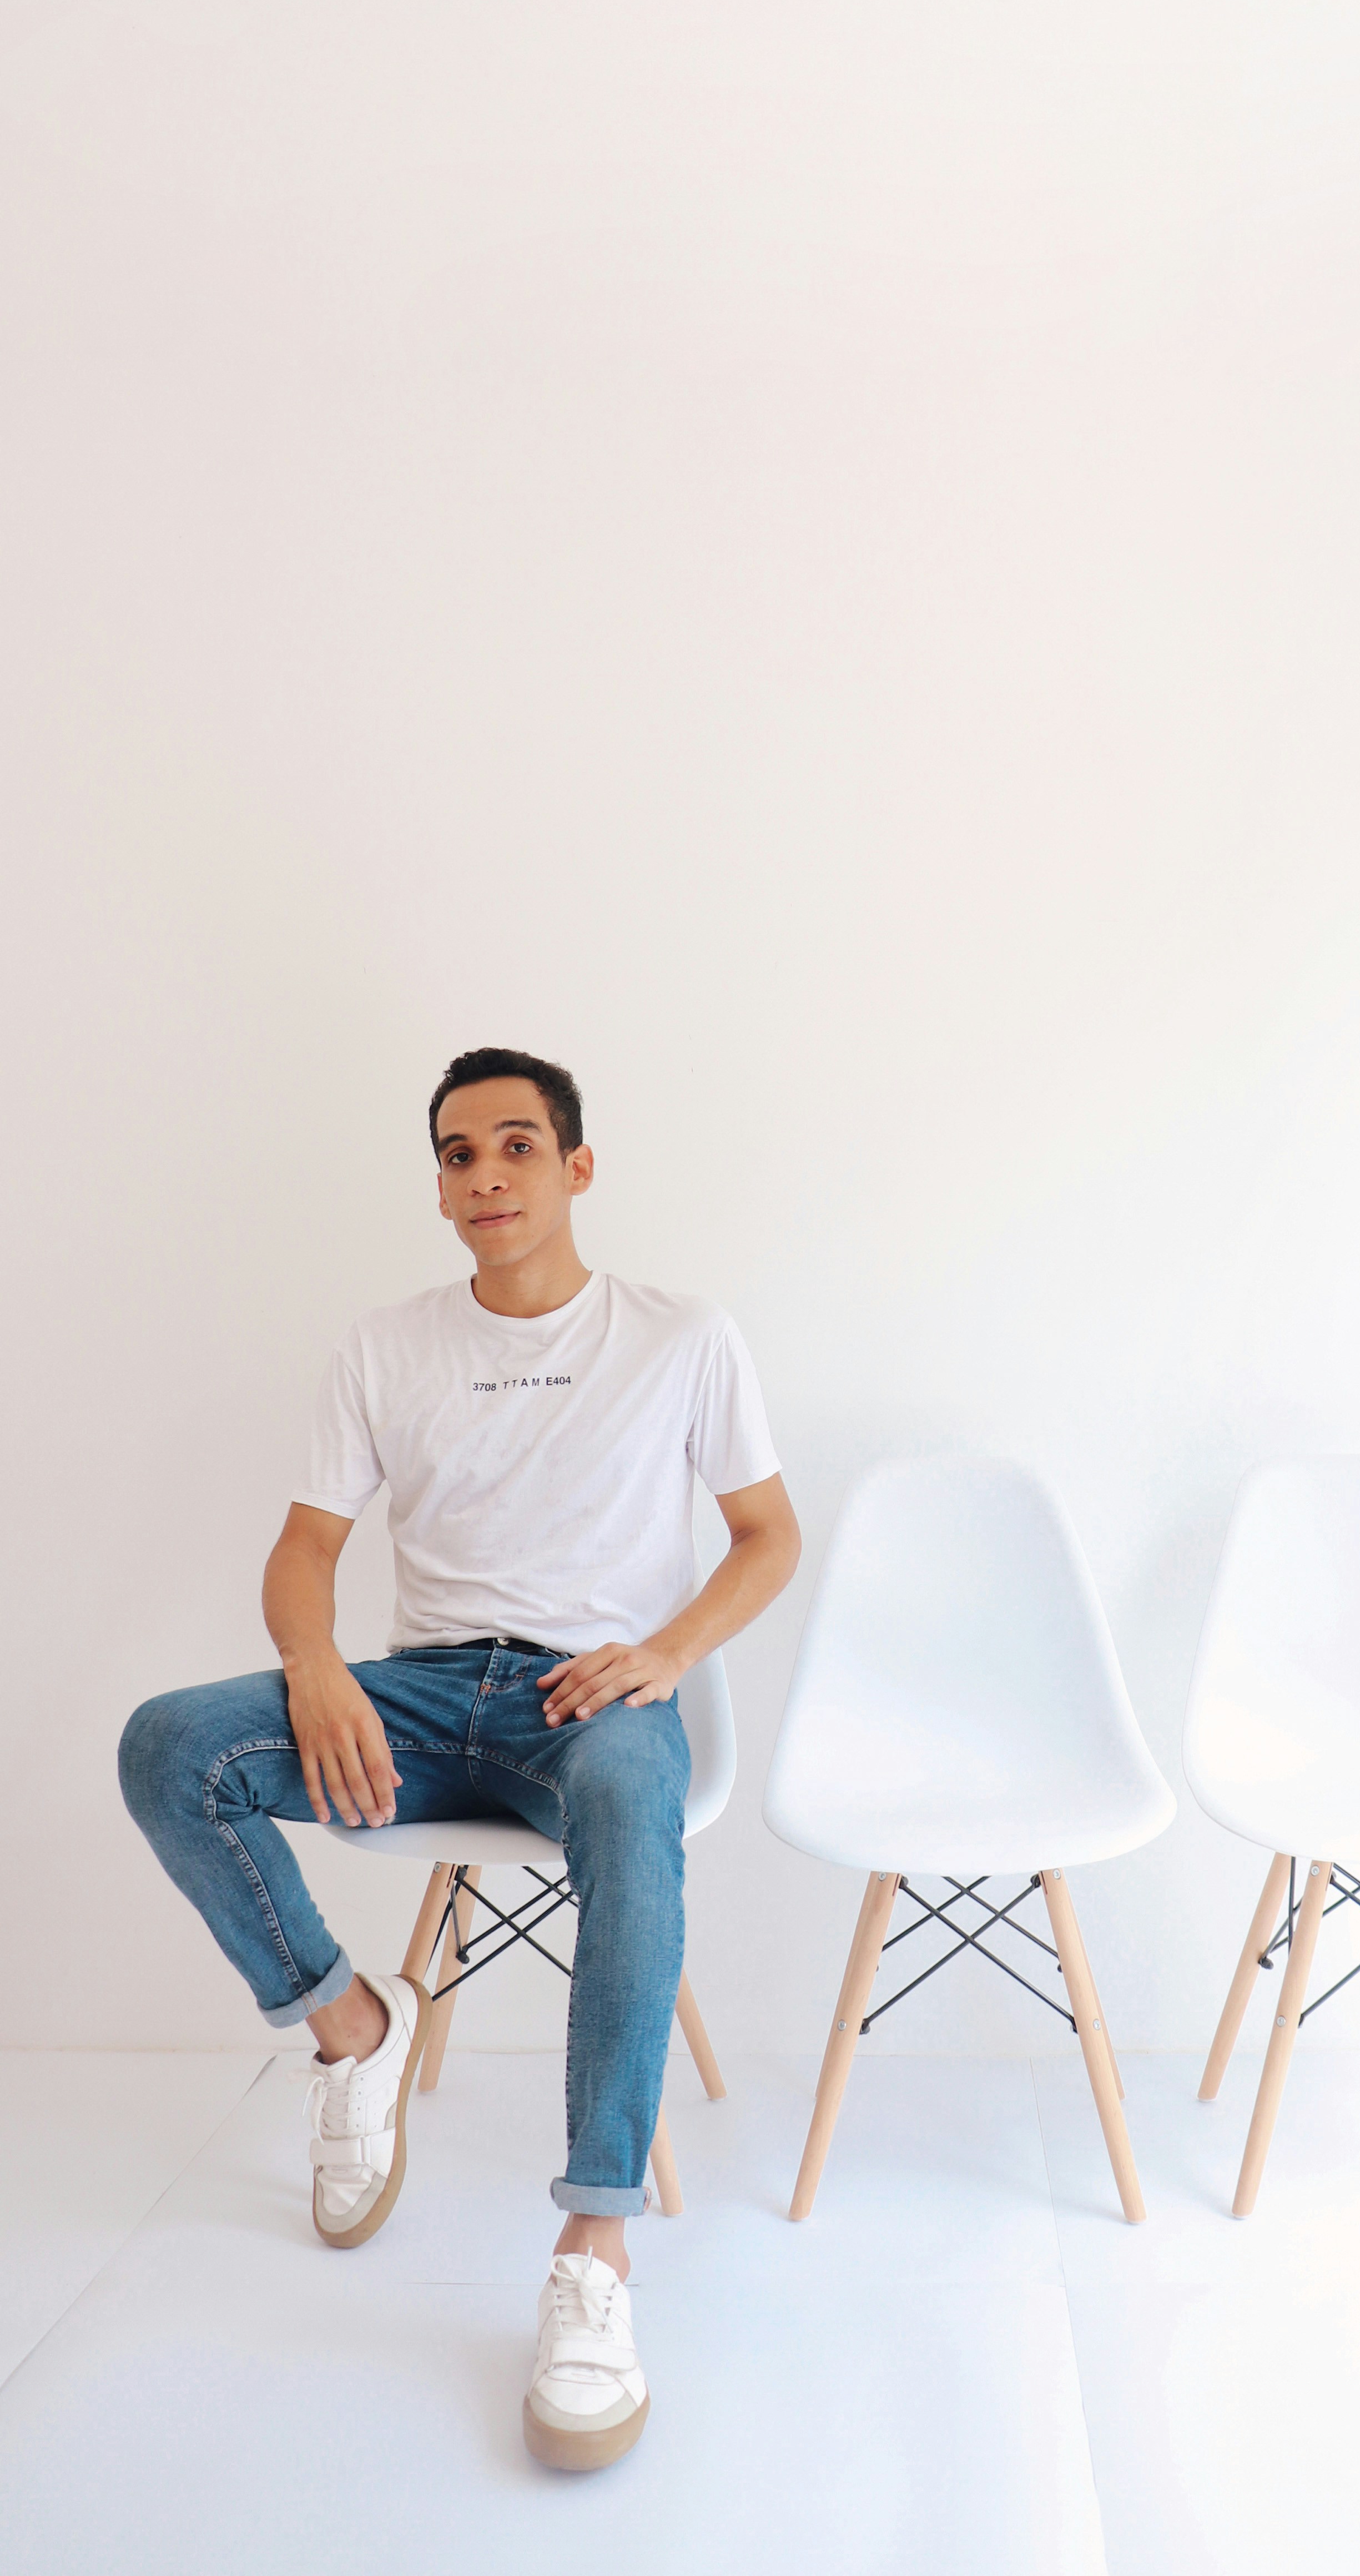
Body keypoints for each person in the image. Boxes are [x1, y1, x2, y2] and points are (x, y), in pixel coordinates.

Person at [118, 1046, 801, 2471]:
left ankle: (595, 2249)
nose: (483, 1176)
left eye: (514, 1147)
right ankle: (350, 2031)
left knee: (628, 1804)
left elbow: (767, 1536)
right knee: (171, 1746)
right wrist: (317, 1671)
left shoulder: (681, 1337)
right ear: (438, 1184)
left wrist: (665, 1657)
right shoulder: (386, 1345)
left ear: (575, 1168)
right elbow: (307, 1550)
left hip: (591, 1696)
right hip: (421, 1699)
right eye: (455, 1154)